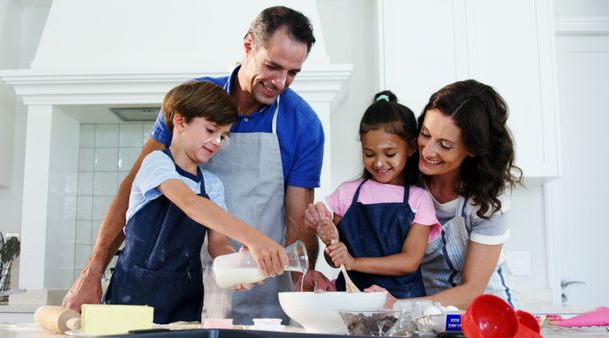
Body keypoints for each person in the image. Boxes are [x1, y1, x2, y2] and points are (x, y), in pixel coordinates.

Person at [63, 6, 330, 324]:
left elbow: (297, 221)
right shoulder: (192, 102)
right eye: (273, 66)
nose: (281, 82)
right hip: (185, 291)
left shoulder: (303, 124)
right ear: (248, 46)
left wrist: (302, 287)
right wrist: (92, 271)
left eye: (293, 72)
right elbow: (160, 194)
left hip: (256, 291)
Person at [103, 81, 288, 324]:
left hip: (185, 299)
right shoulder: (157, 163)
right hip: (134, 295)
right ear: (180, 122)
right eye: (211, 131)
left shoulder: (211, 184)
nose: (217, 142)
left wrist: (236, 266)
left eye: (223, 136)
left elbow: (218, 243)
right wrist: (254, 238)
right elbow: (189, 203)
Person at [362, 79, 523, 310]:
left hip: (488, 311)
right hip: (424, 311)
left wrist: (397, 306)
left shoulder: (488, 198)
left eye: (445, 145)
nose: (428, 151)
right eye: (425, 134)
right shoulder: (404, 179)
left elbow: (471, 291)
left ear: (473, 149)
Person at [306, 91, 440, 299]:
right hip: (351, 300)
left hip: (401, 304)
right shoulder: (347, 194)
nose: (378, 162)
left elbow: (409, 261)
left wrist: (354, 262)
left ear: (411, 148)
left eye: (389, 154)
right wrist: (330, 243)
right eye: (369, 154)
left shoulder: (418, 199)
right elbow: (336, 260)